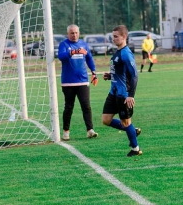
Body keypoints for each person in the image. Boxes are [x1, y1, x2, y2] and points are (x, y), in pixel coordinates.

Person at [102, 25, 142, 157]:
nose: (113, 39)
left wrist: (131, 95)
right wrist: (110, 76)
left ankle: (136, 149)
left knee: (126, 122)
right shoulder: (118, 51)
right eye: (112, 36)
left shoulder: (126, 54)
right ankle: (131, 130)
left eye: (115, 36)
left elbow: (135, 75)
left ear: (124, 37)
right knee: (106, 120)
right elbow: (120, 73)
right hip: (113, 92)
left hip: (123, 94)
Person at [58, 24, 98, 141]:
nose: (74, 35)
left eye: (76, 32)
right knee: (69, 107)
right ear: (68, 34)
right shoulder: (64, 44)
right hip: (68, 82)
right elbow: (60, 56)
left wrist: (94, 72)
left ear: (79, 33)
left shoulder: (84, 44)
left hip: (83, 81)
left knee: (86, 106)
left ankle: (90, 130)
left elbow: (89, 58)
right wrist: (73, 52)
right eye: (72, 33)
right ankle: (66, 132)